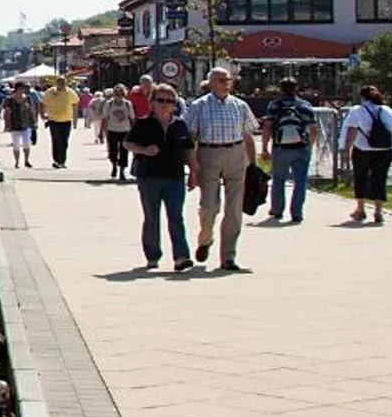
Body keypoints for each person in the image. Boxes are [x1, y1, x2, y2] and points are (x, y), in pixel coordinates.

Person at [184, 66, 259, 271]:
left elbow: (248, 135)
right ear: (211, 83)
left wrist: (253, 165)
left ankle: (228, 256)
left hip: (235, 153)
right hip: (209, 153)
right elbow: (191, 137)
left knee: (234, 209)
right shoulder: (199, 106)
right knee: (210, 206)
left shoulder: (240, 105)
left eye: (228, 80)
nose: (226, 83)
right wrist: (193, 165)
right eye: (221, 80)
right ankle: (205, 238)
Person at [126, 86, 196, 270]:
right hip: (149, 177)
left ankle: (181, 257)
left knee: (176, 217)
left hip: (175, 177)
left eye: (169, 101)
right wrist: (144, 150)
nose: (165, 105)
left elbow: (189, 149)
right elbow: (128, 143)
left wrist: (194, 172)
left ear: (175, 105)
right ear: (152, 103)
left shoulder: (179, 125)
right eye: (161, 100)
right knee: (151, 217)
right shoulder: (143, 123)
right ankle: (152, 255)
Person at [337, 84, 392, 225]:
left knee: (361, 178)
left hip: (363, 150)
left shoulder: (357, 111)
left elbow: (351, 131)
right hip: (385, 150)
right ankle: (378, 211)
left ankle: (361, 209)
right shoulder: (386, 110)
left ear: (362, 97)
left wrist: (346, 150)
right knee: (380, 179)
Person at [258, 78, 318, 225]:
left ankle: (277, 210)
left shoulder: (274, 106)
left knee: (278, 180)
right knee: (300, 182)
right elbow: (313, 129)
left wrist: (265, 147)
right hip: (301, 148)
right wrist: (309, 146)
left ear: (281, 89)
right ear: (296, 88)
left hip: (281, 148)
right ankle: (296, 213)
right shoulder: (304, 106)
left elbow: (267, 127)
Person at [100, 86, 136, 182]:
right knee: (113, 151)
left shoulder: (128, 104)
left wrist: (134, 131)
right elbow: (104, 118)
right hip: (112, 130)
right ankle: (114, 165)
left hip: (125, 130)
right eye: (116, 94)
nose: (118, 97)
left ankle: (122, 171)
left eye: (121, 94)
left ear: (124, 95)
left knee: (124, 152)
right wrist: (101, 132)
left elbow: (132, 118)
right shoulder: (109, 104)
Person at [0, 83, 39, 169]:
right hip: (14, 124)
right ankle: (17, 162)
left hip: (26, 124)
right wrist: (6, 123)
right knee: (16, 144)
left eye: (23, 89)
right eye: (20, 88)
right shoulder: (10, 99)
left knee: (26, 143)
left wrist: (34, 122)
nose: (22, 90)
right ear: (16, 89)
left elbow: (31, 111)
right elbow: (4, 110)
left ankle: (26, 160)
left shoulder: (27, 99)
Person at [42, 78, 79, 168]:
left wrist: (75, 120)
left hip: (66, 120)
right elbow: (44, 103)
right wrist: (43, 114)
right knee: (55, 140)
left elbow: (75, 105)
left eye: (63, 83)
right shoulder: (50, 92)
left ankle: (62, 161)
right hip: (53, 120)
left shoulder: (70, 92)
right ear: (56, 83)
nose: (61, 84)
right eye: (59, 82)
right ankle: (57, 160)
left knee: (64, 141)